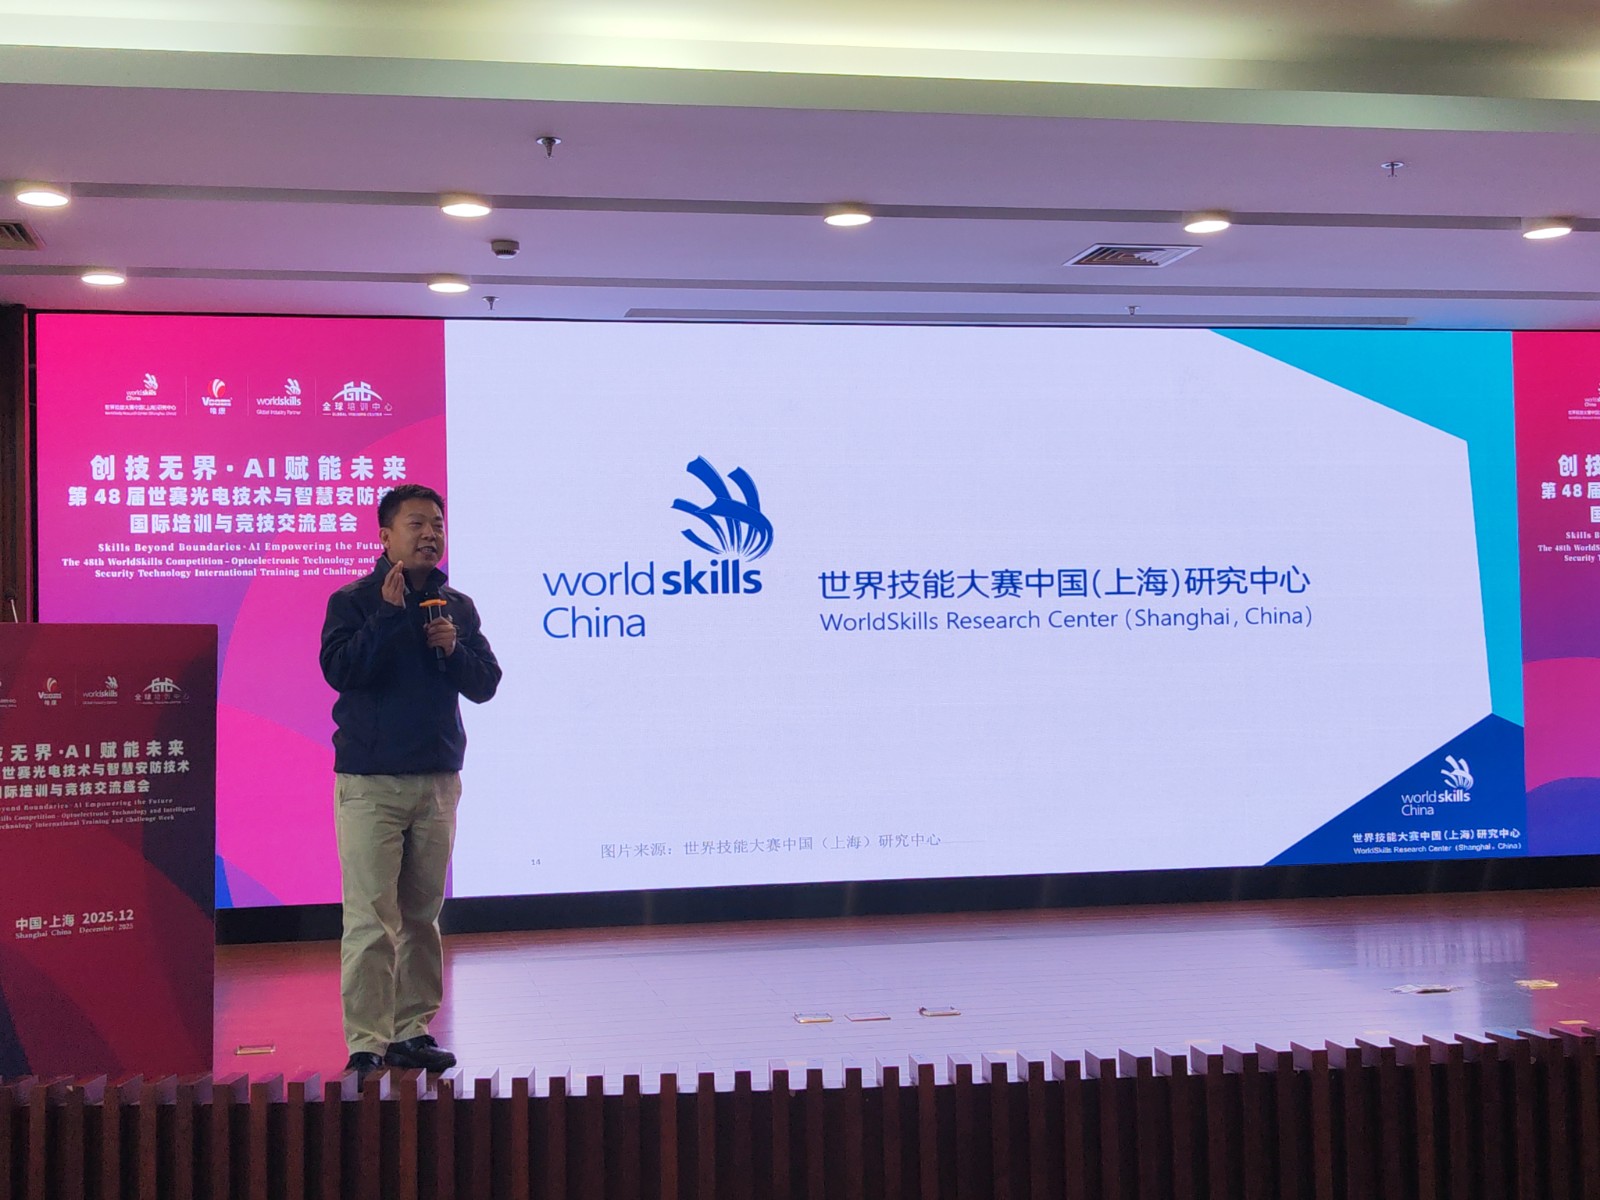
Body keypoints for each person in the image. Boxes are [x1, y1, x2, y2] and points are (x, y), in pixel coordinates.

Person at [319, 483, 502, 1079]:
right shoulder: (353, 601)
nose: (430, 534)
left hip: (437, 781)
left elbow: (485, 683)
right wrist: (387, 617)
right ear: (385, 536)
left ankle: (411, 1031)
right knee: (370, 918)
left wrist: (454, 649)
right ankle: (366, 1041)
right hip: (370, 785)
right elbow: (341, 671)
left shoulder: (456, 607)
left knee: (422, 916)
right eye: (417, 524)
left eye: (437, 525)